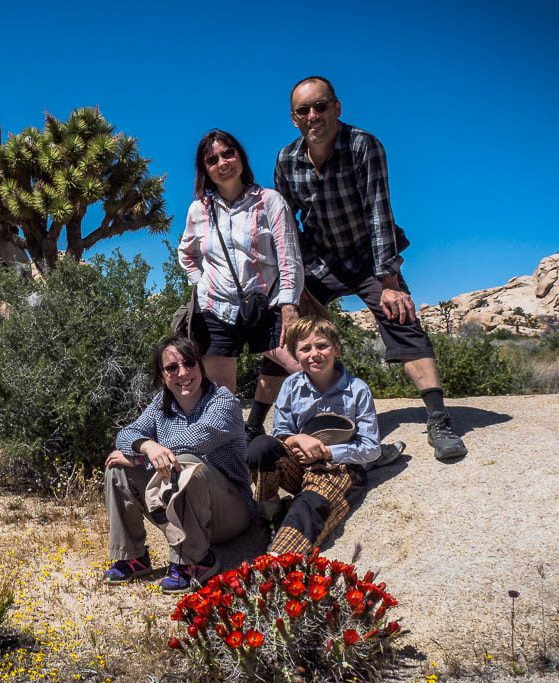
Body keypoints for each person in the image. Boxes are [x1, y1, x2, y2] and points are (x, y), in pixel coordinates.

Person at [273, 76, 467, 461]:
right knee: (284, 326)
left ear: (337, 108)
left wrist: (390, 281)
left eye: (321, 106)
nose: (313, 116)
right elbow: (284, 226)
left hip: (366, 256)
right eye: (303, 110)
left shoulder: (363, 145)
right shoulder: (286, 159)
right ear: (294, 118)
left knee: (401, 318)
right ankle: (266, 419)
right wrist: (289, 290)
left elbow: (379, 210)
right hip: (320, 259)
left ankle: (439, 419)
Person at [179, 129, 304, 443]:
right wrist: (202, 282)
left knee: (306, 367)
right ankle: (233, 458)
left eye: (227, 154)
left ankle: (336, 434)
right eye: (212, 159)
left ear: (240, 156)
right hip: (217, 311)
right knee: (223, 399)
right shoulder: (199, 210)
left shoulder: (269, 201)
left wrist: (289, 305)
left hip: (267, 305)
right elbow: (187, 253)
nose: (222, 163)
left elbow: (289, 255)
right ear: (204, 169)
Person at [102, 336, 254, 594]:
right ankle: (132, 556)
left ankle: (195, 561)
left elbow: (196, 438)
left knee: (185, 463)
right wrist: (147, 447)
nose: (182, 373)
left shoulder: (222, 401)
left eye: (189, 363)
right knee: (118, 467)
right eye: (172, 368)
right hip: (182, 507)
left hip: (229, 511)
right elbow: (126, 434)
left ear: (200, 366)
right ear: (162, 375)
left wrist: (139, 456)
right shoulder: (162, 403)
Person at [247, 316, 380, 553]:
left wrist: (327, 451)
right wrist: (297, 439)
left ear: (336, 349)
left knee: (310, 503)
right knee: (261, 447)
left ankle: (280, 558)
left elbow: (371, 447)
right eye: (305, 348)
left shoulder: (358, 390)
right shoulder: (291, 385)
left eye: (322, 346)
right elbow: (281, 432)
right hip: (301, 463)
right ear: (295, 354)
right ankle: (271, 512)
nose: (314, 354)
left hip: (339, 469)